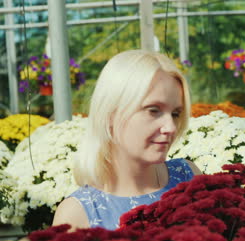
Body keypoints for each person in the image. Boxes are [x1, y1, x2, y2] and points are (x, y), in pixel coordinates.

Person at [52, 50, 201, 230]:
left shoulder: (188, 178)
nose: (170, 127)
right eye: (153, 110)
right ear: (110, 114)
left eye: (176, 114)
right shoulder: (78, 215)